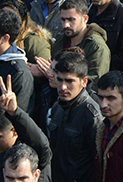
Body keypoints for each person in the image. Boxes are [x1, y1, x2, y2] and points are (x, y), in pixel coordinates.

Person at [43, 51, 100, 182]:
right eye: (59, 80)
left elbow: (98, 162)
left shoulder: (92, 115)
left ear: (84, 81)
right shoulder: (57, 106)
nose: (63, 87)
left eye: (69, 81)